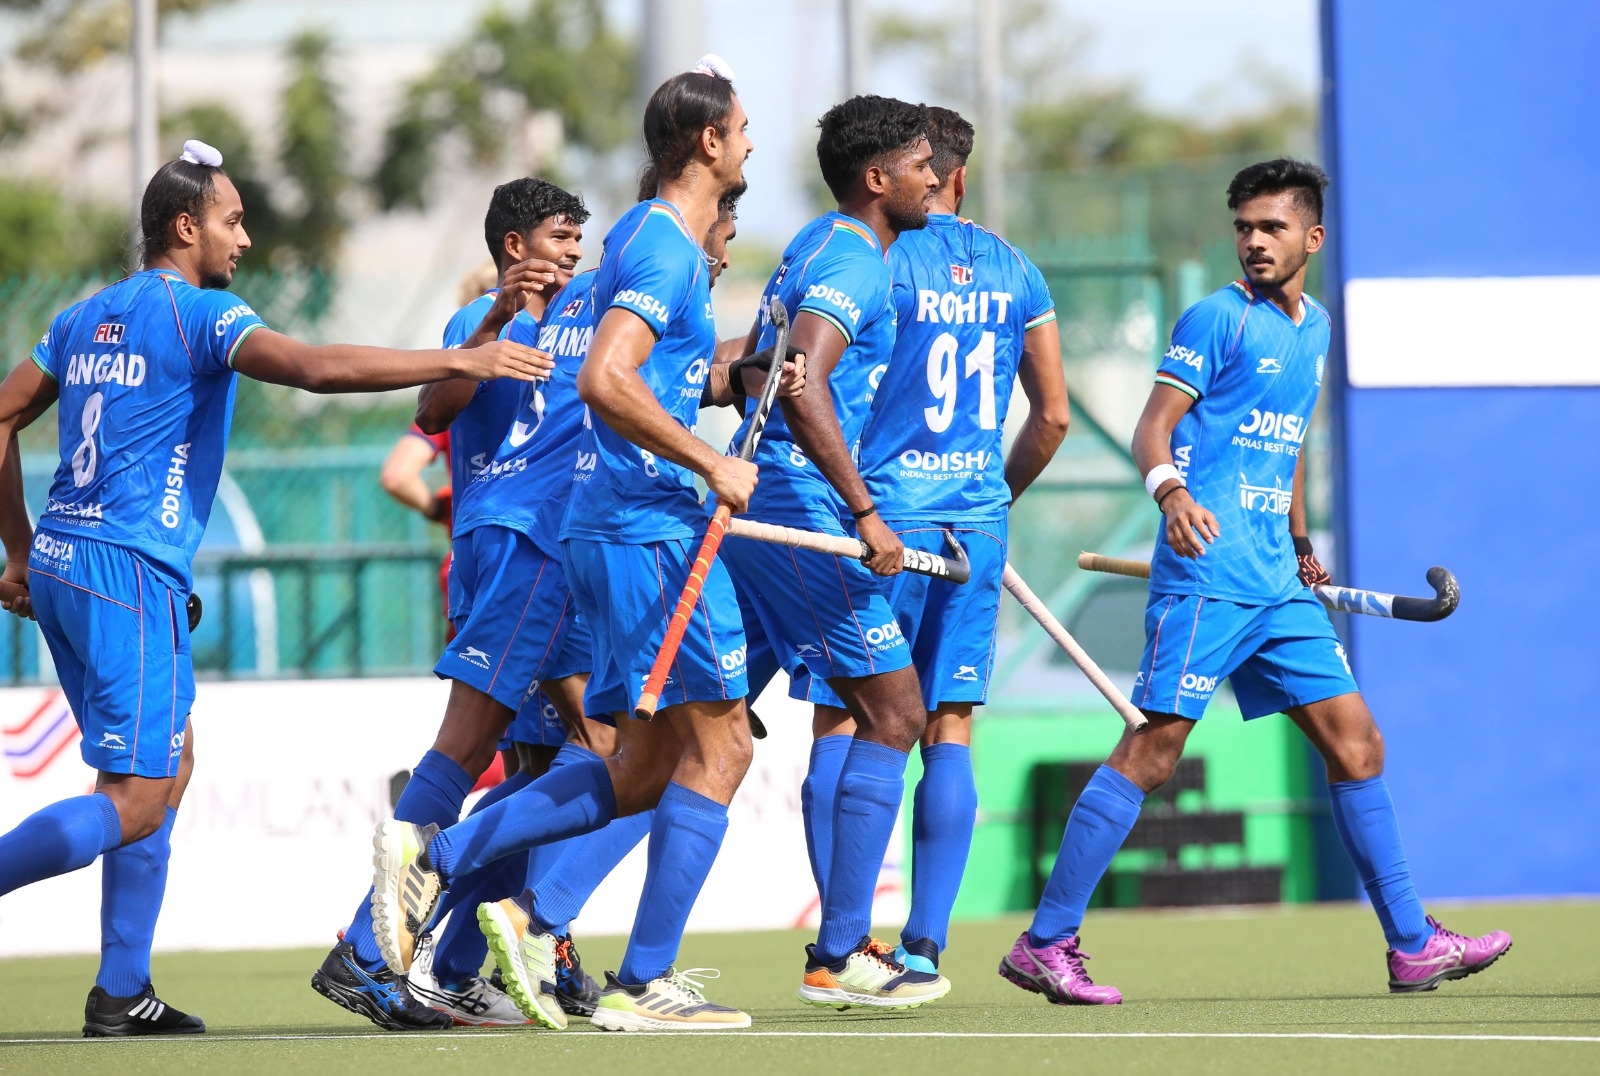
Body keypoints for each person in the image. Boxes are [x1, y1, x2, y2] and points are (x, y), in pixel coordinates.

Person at [0, 140, 549, 1037]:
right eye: (233, 220)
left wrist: (21, 551)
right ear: (186, 227)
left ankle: (121, 991)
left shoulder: (84, 315)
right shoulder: (203, 315)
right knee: (135, 798)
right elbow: (315, 368)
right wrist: (459, 361)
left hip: (64, 559)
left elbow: (2, 411)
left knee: (166, 766)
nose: (245, 239)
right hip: (126, 571)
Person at [1001, 158, 1513, 1005]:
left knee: (1357, 745)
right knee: (1152, 752)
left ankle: (1413, 944)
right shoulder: (1217, 318)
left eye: (1272, 227)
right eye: (1244, 227)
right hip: (1207, 576)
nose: (1255, 241)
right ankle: (1045, 942)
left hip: (1277, 584)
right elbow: (1152, 427)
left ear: (1313, 237)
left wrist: (1302, 541)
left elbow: (1289, 438)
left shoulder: (1316, 328)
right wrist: (1171, 494)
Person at [366, 56, 781, 1033]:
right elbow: (604, 379)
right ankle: (634, 974)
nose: (751, 143)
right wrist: (709, 461)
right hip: (630, 527)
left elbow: (650, 374)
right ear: (708, 142)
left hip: (596, 529)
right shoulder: (658, 250)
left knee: (632, 763)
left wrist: (744, 376)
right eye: (741, 128)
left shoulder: (636, 239)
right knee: (717, 747)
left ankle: (466, 881)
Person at [794, 106, 1070, 980]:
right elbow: (1053, 418)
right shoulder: (1018, 269)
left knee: (845, 716)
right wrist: (990, 504)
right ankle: (924, 945)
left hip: (883, 517)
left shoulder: (881, 254)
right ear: (964, 173)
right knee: (948, 726)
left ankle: (845, 941)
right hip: (974, 523)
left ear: (925, 170)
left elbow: (824, 381)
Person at [312, 178, 588, 1031]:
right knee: (557, 751)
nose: (574, 251)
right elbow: (432, 411)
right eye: (559, 236)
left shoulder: (591, 315)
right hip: (517, 550)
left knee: (547, 763)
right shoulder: (476, 321)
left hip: (546, 555)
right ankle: (379, 945)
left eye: (580, 239)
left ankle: (463, 957)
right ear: (514, 246)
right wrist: (491, 326)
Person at [716, 94, 951, 1012]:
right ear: (878, 177)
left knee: (693, 737)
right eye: (923, 165)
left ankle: (524, 912)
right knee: (896, 712)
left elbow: (755, 367)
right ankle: (842, 952)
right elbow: (795, 377)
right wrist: (865, 511)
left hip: (761, 498)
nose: (935, 178)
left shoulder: (814, 242)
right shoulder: (854, 258)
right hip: (801, 509)